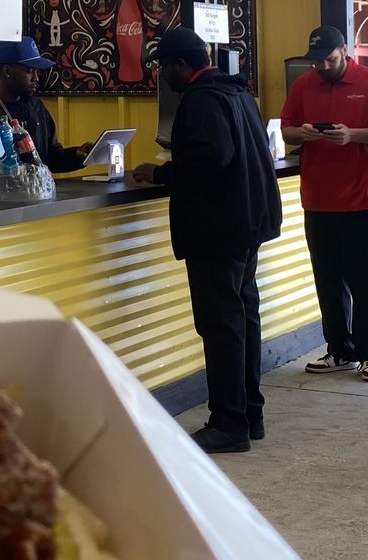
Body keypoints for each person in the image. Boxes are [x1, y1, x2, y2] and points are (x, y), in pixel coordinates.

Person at [132, 27, 283, 454]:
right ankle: (250, 414)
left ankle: (228, 424)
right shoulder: (238, 93)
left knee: (221, 327)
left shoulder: (201, 99)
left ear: (182, 65)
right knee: (243, 320)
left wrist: (160, 172)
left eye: (164, 67)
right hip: (248, 224)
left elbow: (210, 158)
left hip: (218, 229)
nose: (163, 76)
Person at [280, 25, 368, 381]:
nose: (323, 68)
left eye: (330, 60)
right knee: (328, 282)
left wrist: (353, 136)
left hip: (366, 199)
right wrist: (302, 133)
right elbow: (285, 129)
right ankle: (339, 350)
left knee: (366, 283)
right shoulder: (303, 85)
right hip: (318, 199)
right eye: (317, 62)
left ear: (344, 51)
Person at [0, 36, 92, 174]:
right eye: (29, 71)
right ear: (7, 71)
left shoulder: (36, 108)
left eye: (37, 71)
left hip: (33, 193)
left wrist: (77, 154)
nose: (36, 78)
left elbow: (50, 158)